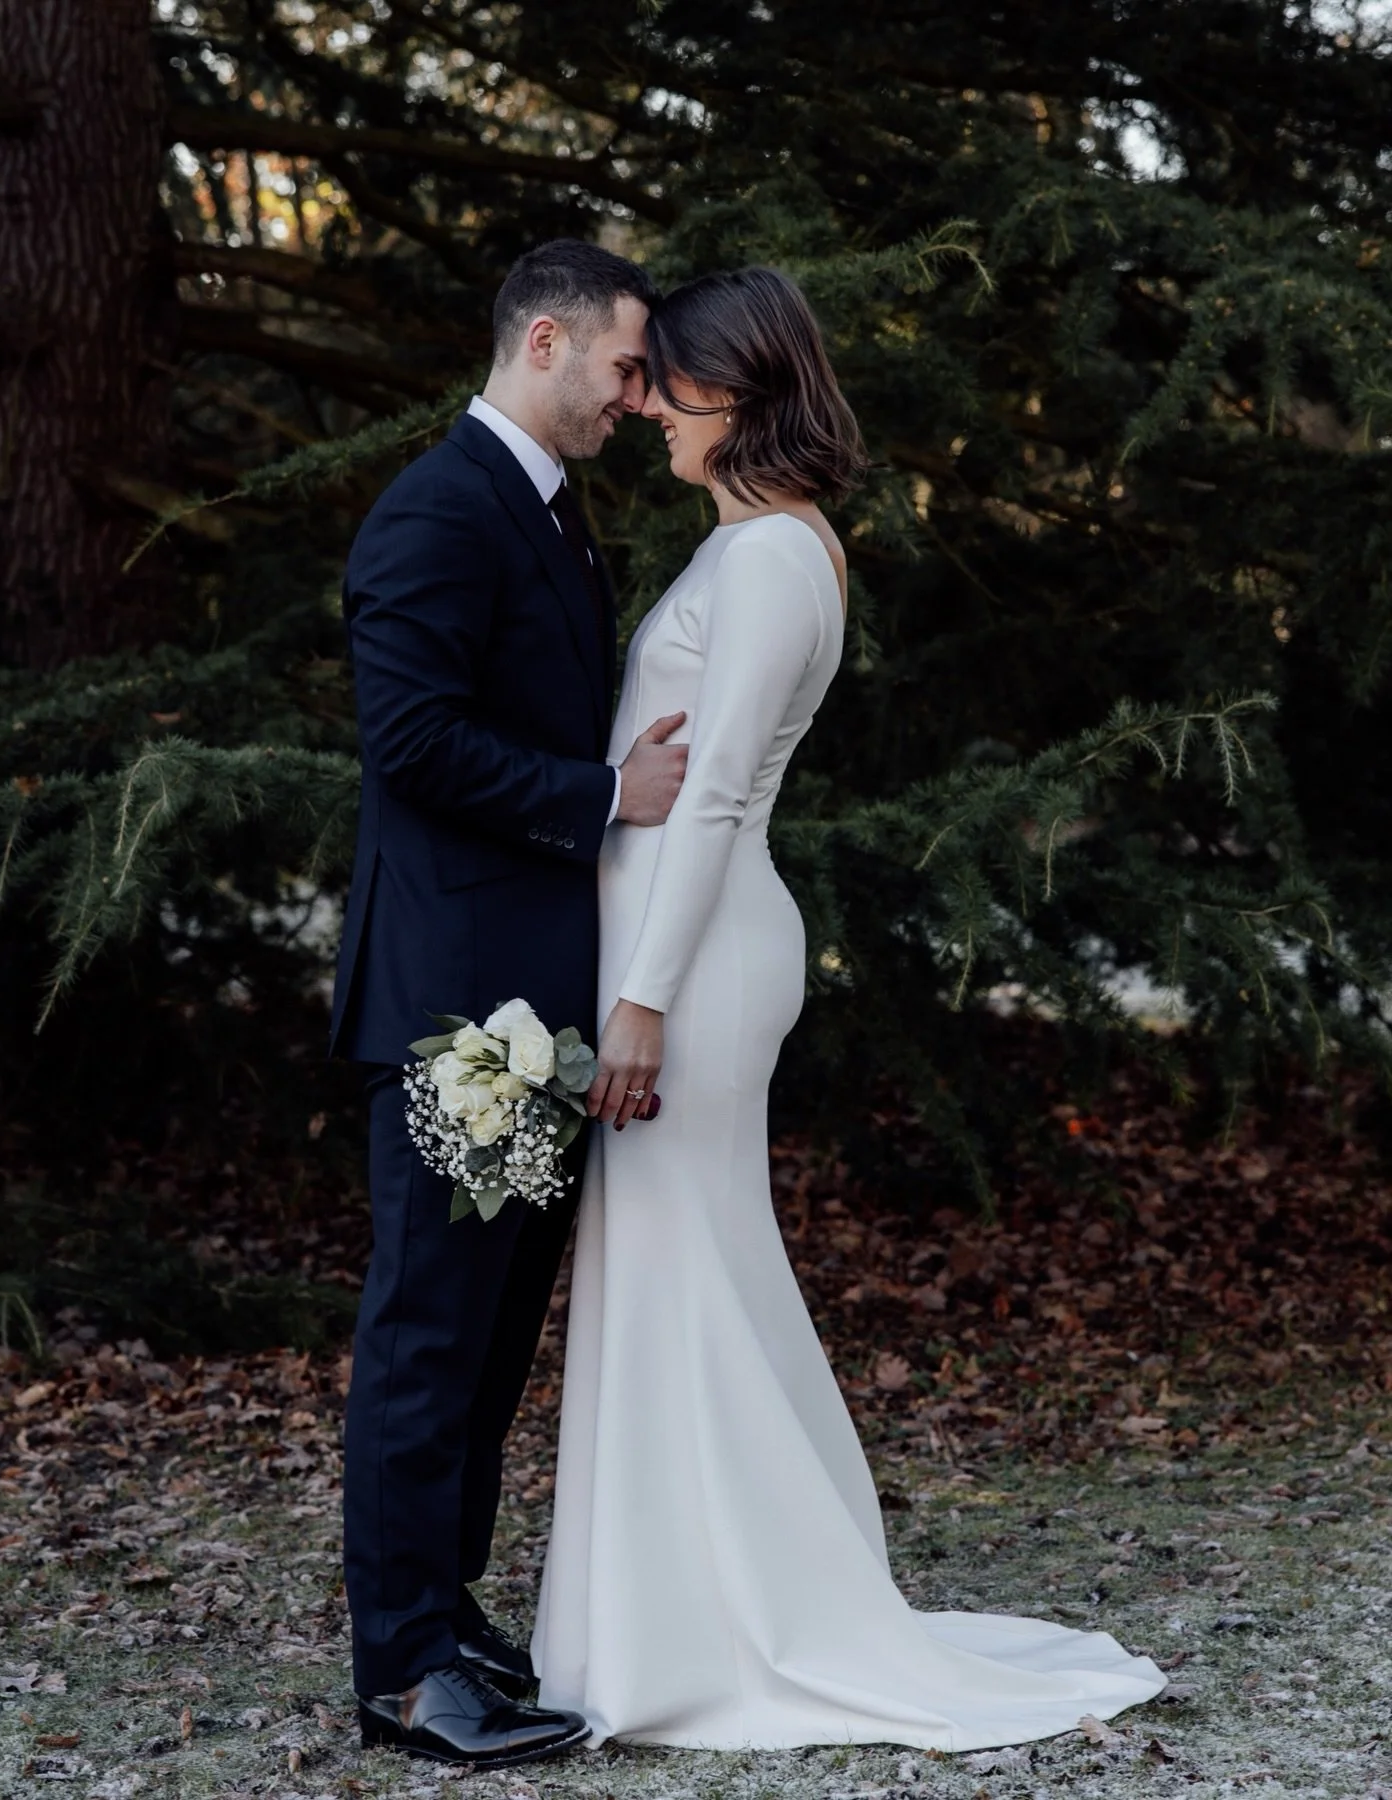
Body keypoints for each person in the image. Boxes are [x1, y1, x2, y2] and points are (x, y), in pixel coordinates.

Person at [531, 266, 1168, 1751]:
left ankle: (736, 1624)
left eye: (658, 384)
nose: (639, 407)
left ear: (731, 394)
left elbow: (717, 800)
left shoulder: (767, 562)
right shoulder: (763, 544)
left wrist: (638, 1003)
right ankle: (672, 1607)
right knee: (691, 1273)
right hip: (682, 953)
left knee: (694, 1277)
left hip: (693, 965)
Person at [329, 239, 688, 1770]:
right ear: (544, 341)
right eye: (622, 365)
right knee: (427, 1339)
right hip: (454, 1014)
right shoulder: (434, 511)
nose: (637, 395)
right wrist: (610, 793)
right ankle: (405, 1671)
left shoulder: (549, 515)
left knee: (485, 1347)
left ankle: (447, 1611)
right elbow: (410, 743)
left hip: (528, 1011)